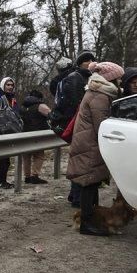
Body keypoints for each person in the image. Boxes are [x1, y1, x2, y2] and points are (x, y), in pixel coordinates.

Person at [66, 61, 125, 236]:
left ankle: (92, 219)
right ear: (111, 79)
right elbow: (103, 126)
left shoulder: (97, 92)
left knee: (92, 182)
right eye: (118, 78)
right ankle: (86, 223)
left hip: (89, 142)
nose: (120, 82)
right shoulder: (100, 96)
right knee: (89, 183)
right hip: (90, 144)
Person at [49, 51, 96, 206]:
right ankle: (77, 197)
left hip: (80, 124)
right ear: (80, 63)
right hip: (78, 124)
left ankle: (74, 195)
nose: (90, 62)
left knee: (80, 159)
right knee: (81, 160)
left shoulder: (86, 77)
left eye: (91, 60)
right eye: (86, 60)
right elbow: (77, 104)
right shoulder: (76, 78)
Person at [0, 77, 20, 189]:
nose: (10, 87)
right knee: (2, 160)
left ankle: (3, 181)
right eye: (8, 85)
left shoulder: (12, 99)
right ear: (3, 85)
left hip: (9, 133)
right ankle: (0, 182)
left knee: (6, 160)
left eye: (12, 85)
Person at [20, 90, 52, 184]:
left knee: (26, 156)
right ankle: (35, 176)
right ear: (39, 98)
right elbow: (52, 115)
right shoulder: (40, 106)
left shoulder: (23, 107)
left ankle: (27, 176)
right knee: (39, 155)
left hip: (24, 134)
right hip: (37, 134)